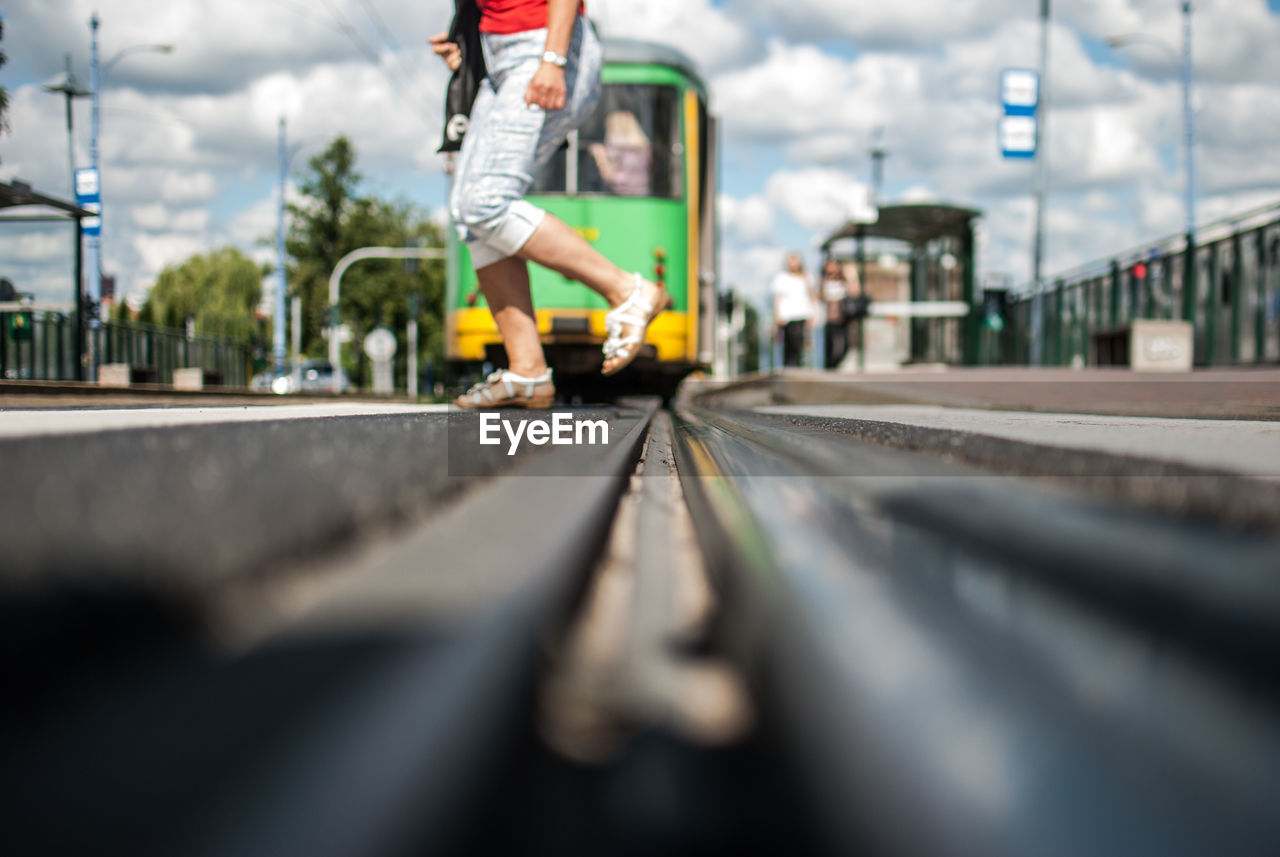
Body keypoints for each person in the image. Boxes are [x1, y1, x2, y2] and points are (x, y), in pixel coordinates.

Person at [430, 0, 670, 409]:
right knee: (470, 213)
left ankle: (627, 290)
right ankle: (528, 371)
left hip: (541, 47)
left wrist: (553, 59)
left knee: (485, 202)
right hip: (498, 55)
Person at [772, 252, 815, 368]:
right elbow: (778, 298)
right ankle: (789, 368)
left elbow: (811, 296)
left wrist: (813, 313)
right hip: (787, 317)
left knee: (800, 344)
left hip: (802, 315)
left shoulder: (807, 277)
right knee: (789, 345)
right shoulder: (782, 277)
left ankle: (798, 367)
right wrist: (777, 315)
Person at [819, 258, 849, 369]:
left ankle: (835, 365)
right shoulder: (823, 281)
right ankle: (830, 367)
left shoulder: (844, 280)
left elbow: (854, 292)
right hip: (829, 318)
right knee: (830, 345)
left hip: (842, 317)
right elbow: (820, 297)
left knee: (844, 345)